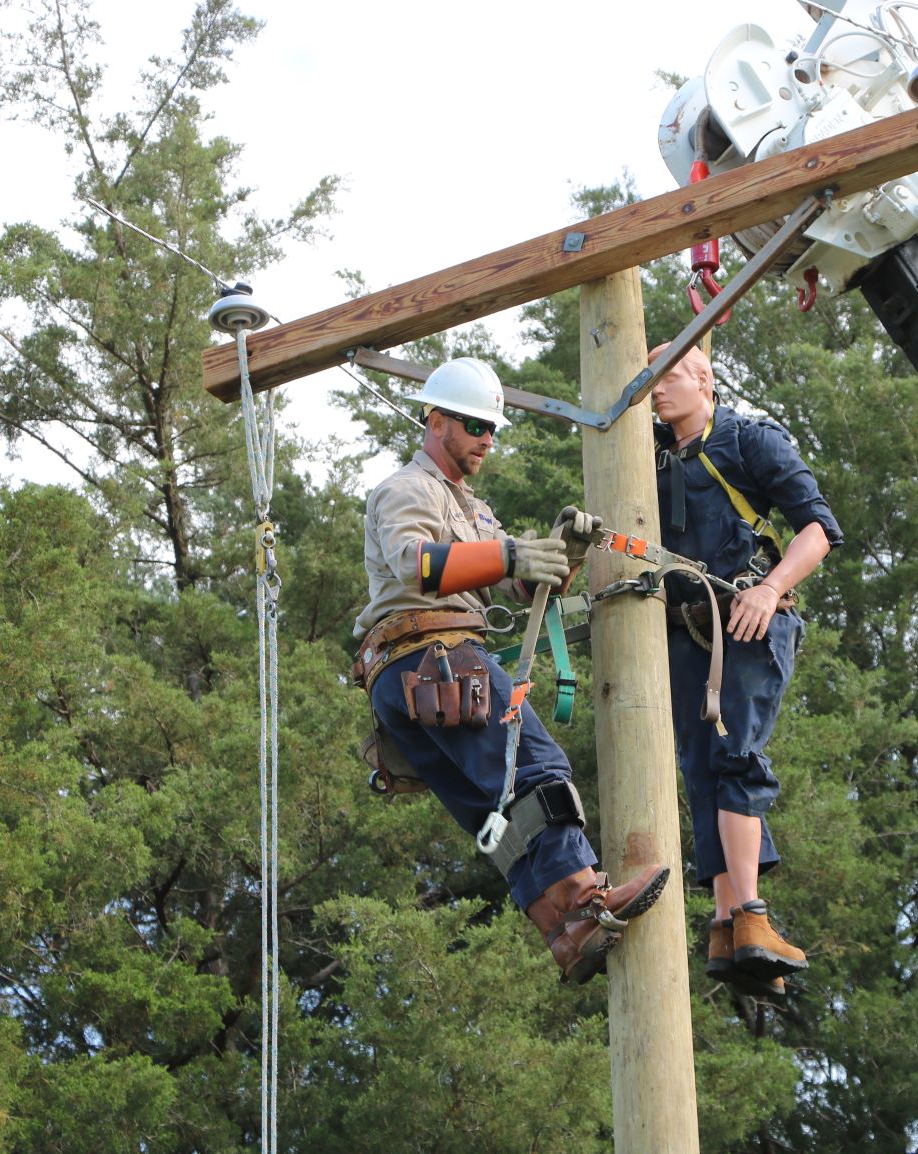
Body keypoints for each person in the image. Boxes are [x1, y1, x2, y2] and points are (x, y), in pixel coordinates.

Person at [353, 356, 669, 985]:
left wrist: (560, 559)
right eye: (474, 426)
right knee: (538, 771)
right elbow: (419, 565)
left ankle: (566, 931)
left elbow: (522, 588)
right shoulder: (406, 490)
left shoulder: (475, 508)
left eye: (492, 429)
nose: (486, 441)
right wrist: (511, 555)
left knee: (497, 813)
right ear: (436, 420)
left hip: (422, 676)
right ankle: (585, 895)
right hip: (432, 657)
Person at [649, 343, 841, 997]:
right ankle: (728, 923)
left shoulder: (746, 440)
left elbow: (817, 529)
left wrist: (769, 588)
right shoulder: (645, 455)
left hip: (749, 619)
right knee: (700, 770)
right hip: (685, 630)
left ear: (703, 379)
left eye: (666, 375)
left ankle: (752, 915)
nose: (654, 389)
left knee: (736, 754)